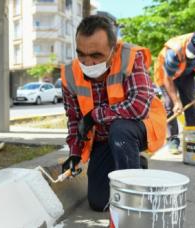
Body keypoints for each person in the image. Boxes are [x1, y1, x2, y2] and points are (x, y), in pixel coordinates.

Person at [60, 15, 167, 211]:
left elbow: (138, 106)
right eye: (81, 54)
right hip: (104, 139)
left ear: (113, 48)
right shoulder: (69, 74)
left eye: (96, 55)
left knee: (120, 130)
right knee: (99, 202)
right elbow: (74, 119)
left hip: (136, 129)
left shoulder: (130, 57)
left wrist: (94, 116)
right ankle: (137, 165)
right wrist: (74, 153)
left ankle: (134, 196)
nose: (88, 63)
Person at [154, 31, 195, 153]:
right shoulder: (174, 51)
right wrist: (176, 101)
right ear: (189, 41)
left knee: (191, 104)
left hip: (186, 73)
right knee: (170, 106)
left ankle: (191, 139)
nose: (192, 54)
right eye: (191, 50)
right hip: (166, 75)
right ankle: (173, 140)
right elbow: (167, 78)